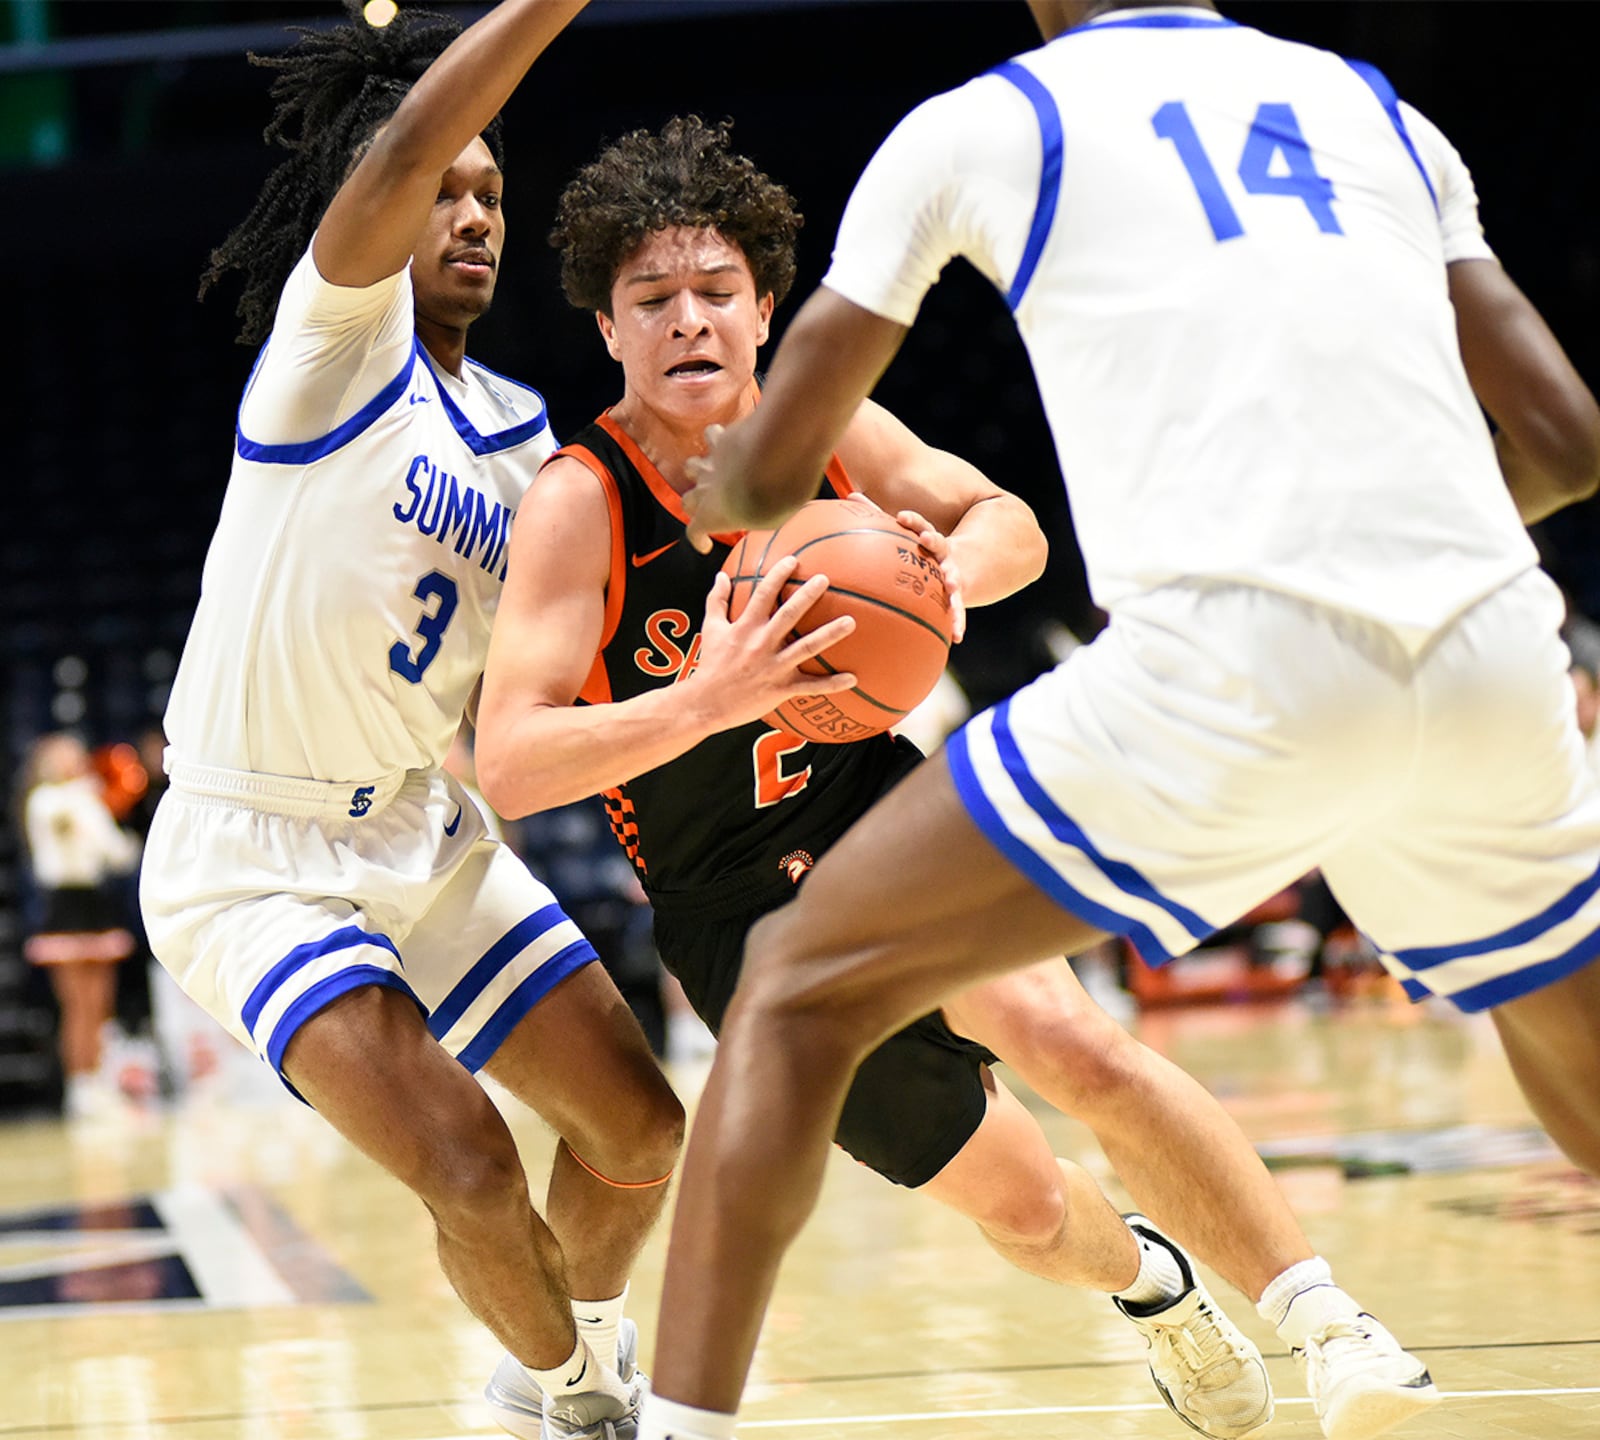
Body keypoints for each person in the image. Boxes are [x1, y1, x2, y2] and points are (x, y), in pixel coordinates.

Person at [640, 3, 1600, 1439]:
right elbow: (1571, 443)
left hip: (1225, 659)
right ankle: (1305, 1326)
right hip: (1489, 641)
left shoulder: (988, 122)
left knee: (795, 998)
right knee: (1568, 1040)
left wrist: (737, 504)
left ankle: (684, 1427)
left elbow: (779, 466)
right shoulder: (1374, 105)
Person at [475, 114, 1432, 1440]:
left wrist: (934, 574)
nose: (688, 322)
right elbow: (512, 761)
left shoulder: (822, 428)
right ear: (610, 331)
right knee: (1032, 1209)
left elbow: (1012, 528)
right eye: (653, 301)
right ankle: (1155, 1289)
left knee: (1068, 1038)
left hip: (878, 811)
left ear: (765, 313)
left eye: (716, 293)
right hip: (732, 909)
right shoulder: (580, 502)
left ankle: (1337, 1328)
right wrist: (712, 695)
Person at [136, 6, 684, 1438]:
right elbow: (413, 136)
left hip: (416, 825)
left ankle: (550, 1361)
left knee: (640, 1133)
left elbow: (565, 672)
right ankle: (575, 1399)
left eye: (494, 195)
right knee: (472, 1171)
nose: (471, 212)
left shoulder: (515, 425)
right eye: (445, 185)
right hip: (252, 853)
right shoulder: (335, 349)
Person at [19, 731, 142, 1119]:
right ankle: (79, 1087)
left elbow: (113, 853)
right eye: (63, 756)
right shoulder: (46, 801)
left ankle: (101, 1081)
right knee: (76, 1006)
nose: (72, 761)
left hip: (93, 902)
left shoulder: (86, 798)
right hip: (64, 904)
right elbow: (68, 822)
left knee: (100, 1003)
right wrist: (92, 796)